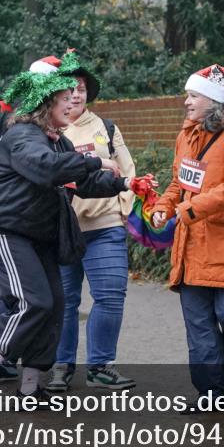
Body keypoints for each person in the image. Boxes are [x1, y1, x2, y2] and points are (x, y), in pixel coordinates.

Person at [0, 61, 141, 402]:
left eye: (74, 95)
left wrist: (125, 183)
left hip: (41, 233)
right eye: (65, 97)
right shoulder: (22, 135)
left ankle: (31, 388)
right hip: (7, 229)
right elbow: (46, 169)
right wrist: (96, 160)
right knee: (32, 301)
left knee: (54, 307)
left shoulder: (58, 141)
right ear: (46, 103)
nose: (72, 101)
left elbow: (83, 182)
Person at [151, 65, 224, 412]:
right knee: (199, 327)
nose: (186, 102)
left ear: (214, 100)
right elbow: (179, 182)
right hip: (193, 246)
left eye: (193, 96)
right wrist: (163, 206)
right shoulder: (186, 134)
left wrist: (189, 209)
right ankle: (212, 393)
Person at [46, 51, 138, 392]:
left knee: (110, 297)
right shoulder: (47, 129)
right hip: (62, 230)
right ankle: (61, 366)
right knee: (65, 301)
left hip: (104, 227)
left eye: (81, 89)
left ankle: (101, 365)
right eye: (69, 89)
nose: (75, 95)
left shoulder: (106, 128)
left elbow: (128, 171)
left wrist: (122, 210)